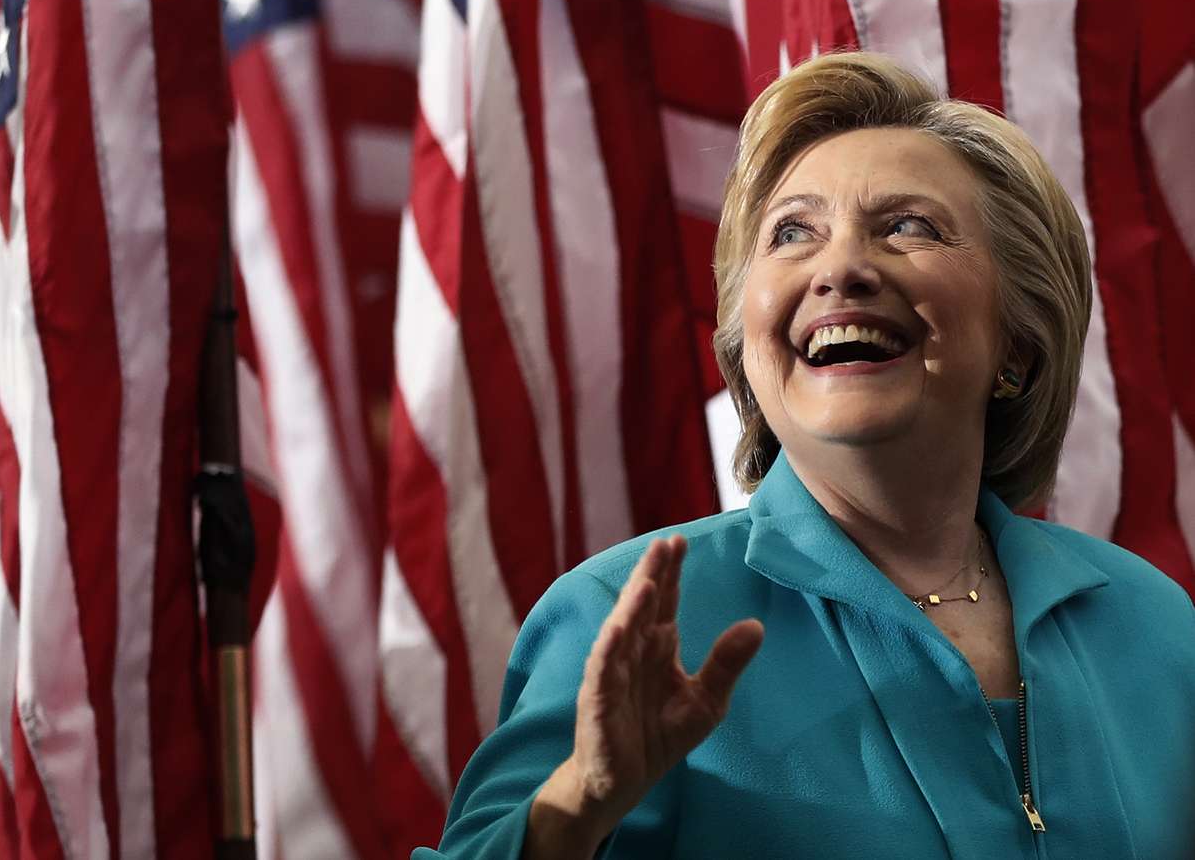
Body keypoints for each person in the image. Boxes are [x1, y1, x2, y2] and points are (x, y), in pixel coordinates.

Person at [412, 52, 1195, 859]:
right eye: (793, 233)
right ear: (749, 342)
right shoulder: (630, 618)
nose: (841, 269)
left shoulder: (1154, 625)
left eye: (908, 226)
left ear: (1017, 345)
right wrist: (580, 803)